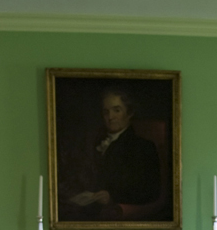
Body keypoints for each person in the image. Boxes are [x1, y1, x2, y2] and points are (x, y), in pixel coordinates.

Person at [62, 88, 162, 221]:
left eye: (117, 110)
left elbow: (150, 191)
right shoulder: (94, 142)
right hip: (87, 212)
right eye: (106, 112)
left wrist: (112, 197)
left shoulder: (143, 147)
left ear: (129, 113)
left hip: (114, 215)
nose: (110, 117)